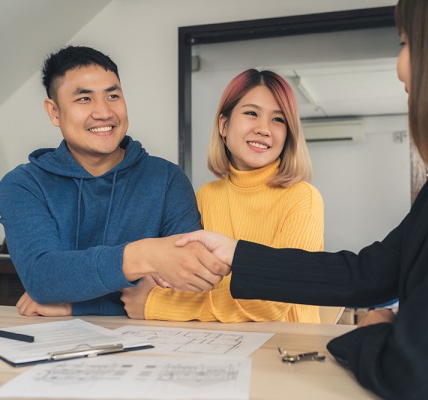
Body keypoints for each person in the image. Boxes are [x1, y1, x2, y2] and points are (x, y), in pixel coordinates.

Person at [175, 0, 428, 398]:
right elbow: (369, 273)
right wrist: (236, 255)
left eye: (405, 43)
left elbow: (420, 373)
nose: (399, 64)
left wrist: (372, 331)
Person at [0, 46, 229, 317]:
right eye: (84, 99)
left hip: (151, 346)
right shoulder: (23, 185)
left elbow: (191, 282)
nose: (104, 112)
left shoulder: (166, 179)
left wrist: (77, 304)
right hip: (50, 347)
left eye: (113, 95)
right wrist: (146, 255)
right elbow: (44, 278)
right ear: (54, 112)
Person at [121, 69, 324, 323]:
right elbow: (192, 279)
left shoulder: (303, 198)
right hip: (221, 344)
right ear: (224, 125)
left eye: (278, 120)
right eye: (251, 113)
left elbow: (272, 301)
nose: (264, 129)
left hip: (285, 350)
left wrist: (158, 304)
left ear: (288, 134)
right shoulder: (207, 195)